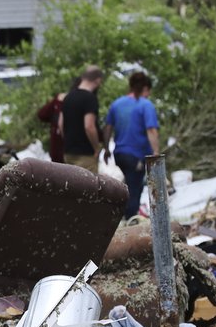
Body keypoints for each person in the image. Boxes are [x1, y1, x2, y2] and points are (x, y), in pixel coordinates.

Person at [103, 72, 159, 219]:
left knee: (129, 185)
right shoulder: (145, 105)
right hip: (136, 156)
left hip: (120, 154)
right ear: (146, 88)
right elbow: (151, 130)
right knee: (135, 190)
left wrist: (106, 149)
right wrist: (156, 152)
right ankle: (129, 221)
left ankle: (121, 216)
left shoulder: (117, 103)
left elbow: (108, 127)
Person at [59, 66, 104, 172]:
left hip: (68, 152)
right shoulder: (90, 98)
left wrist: (68, 141)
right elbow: (89, 126)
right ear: (97, 80)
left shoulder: (68, 97)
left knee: (71, 185)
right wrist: (96, 148)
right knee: (87, 186)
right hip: (85, 154)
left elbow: (60, 124)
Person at [36, 76, 81, 164]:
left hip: (59, 146)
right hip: (69, 148)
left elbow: (42, 115)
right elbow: (42, 114)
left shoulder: (60, 100)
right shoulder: (67, 100)